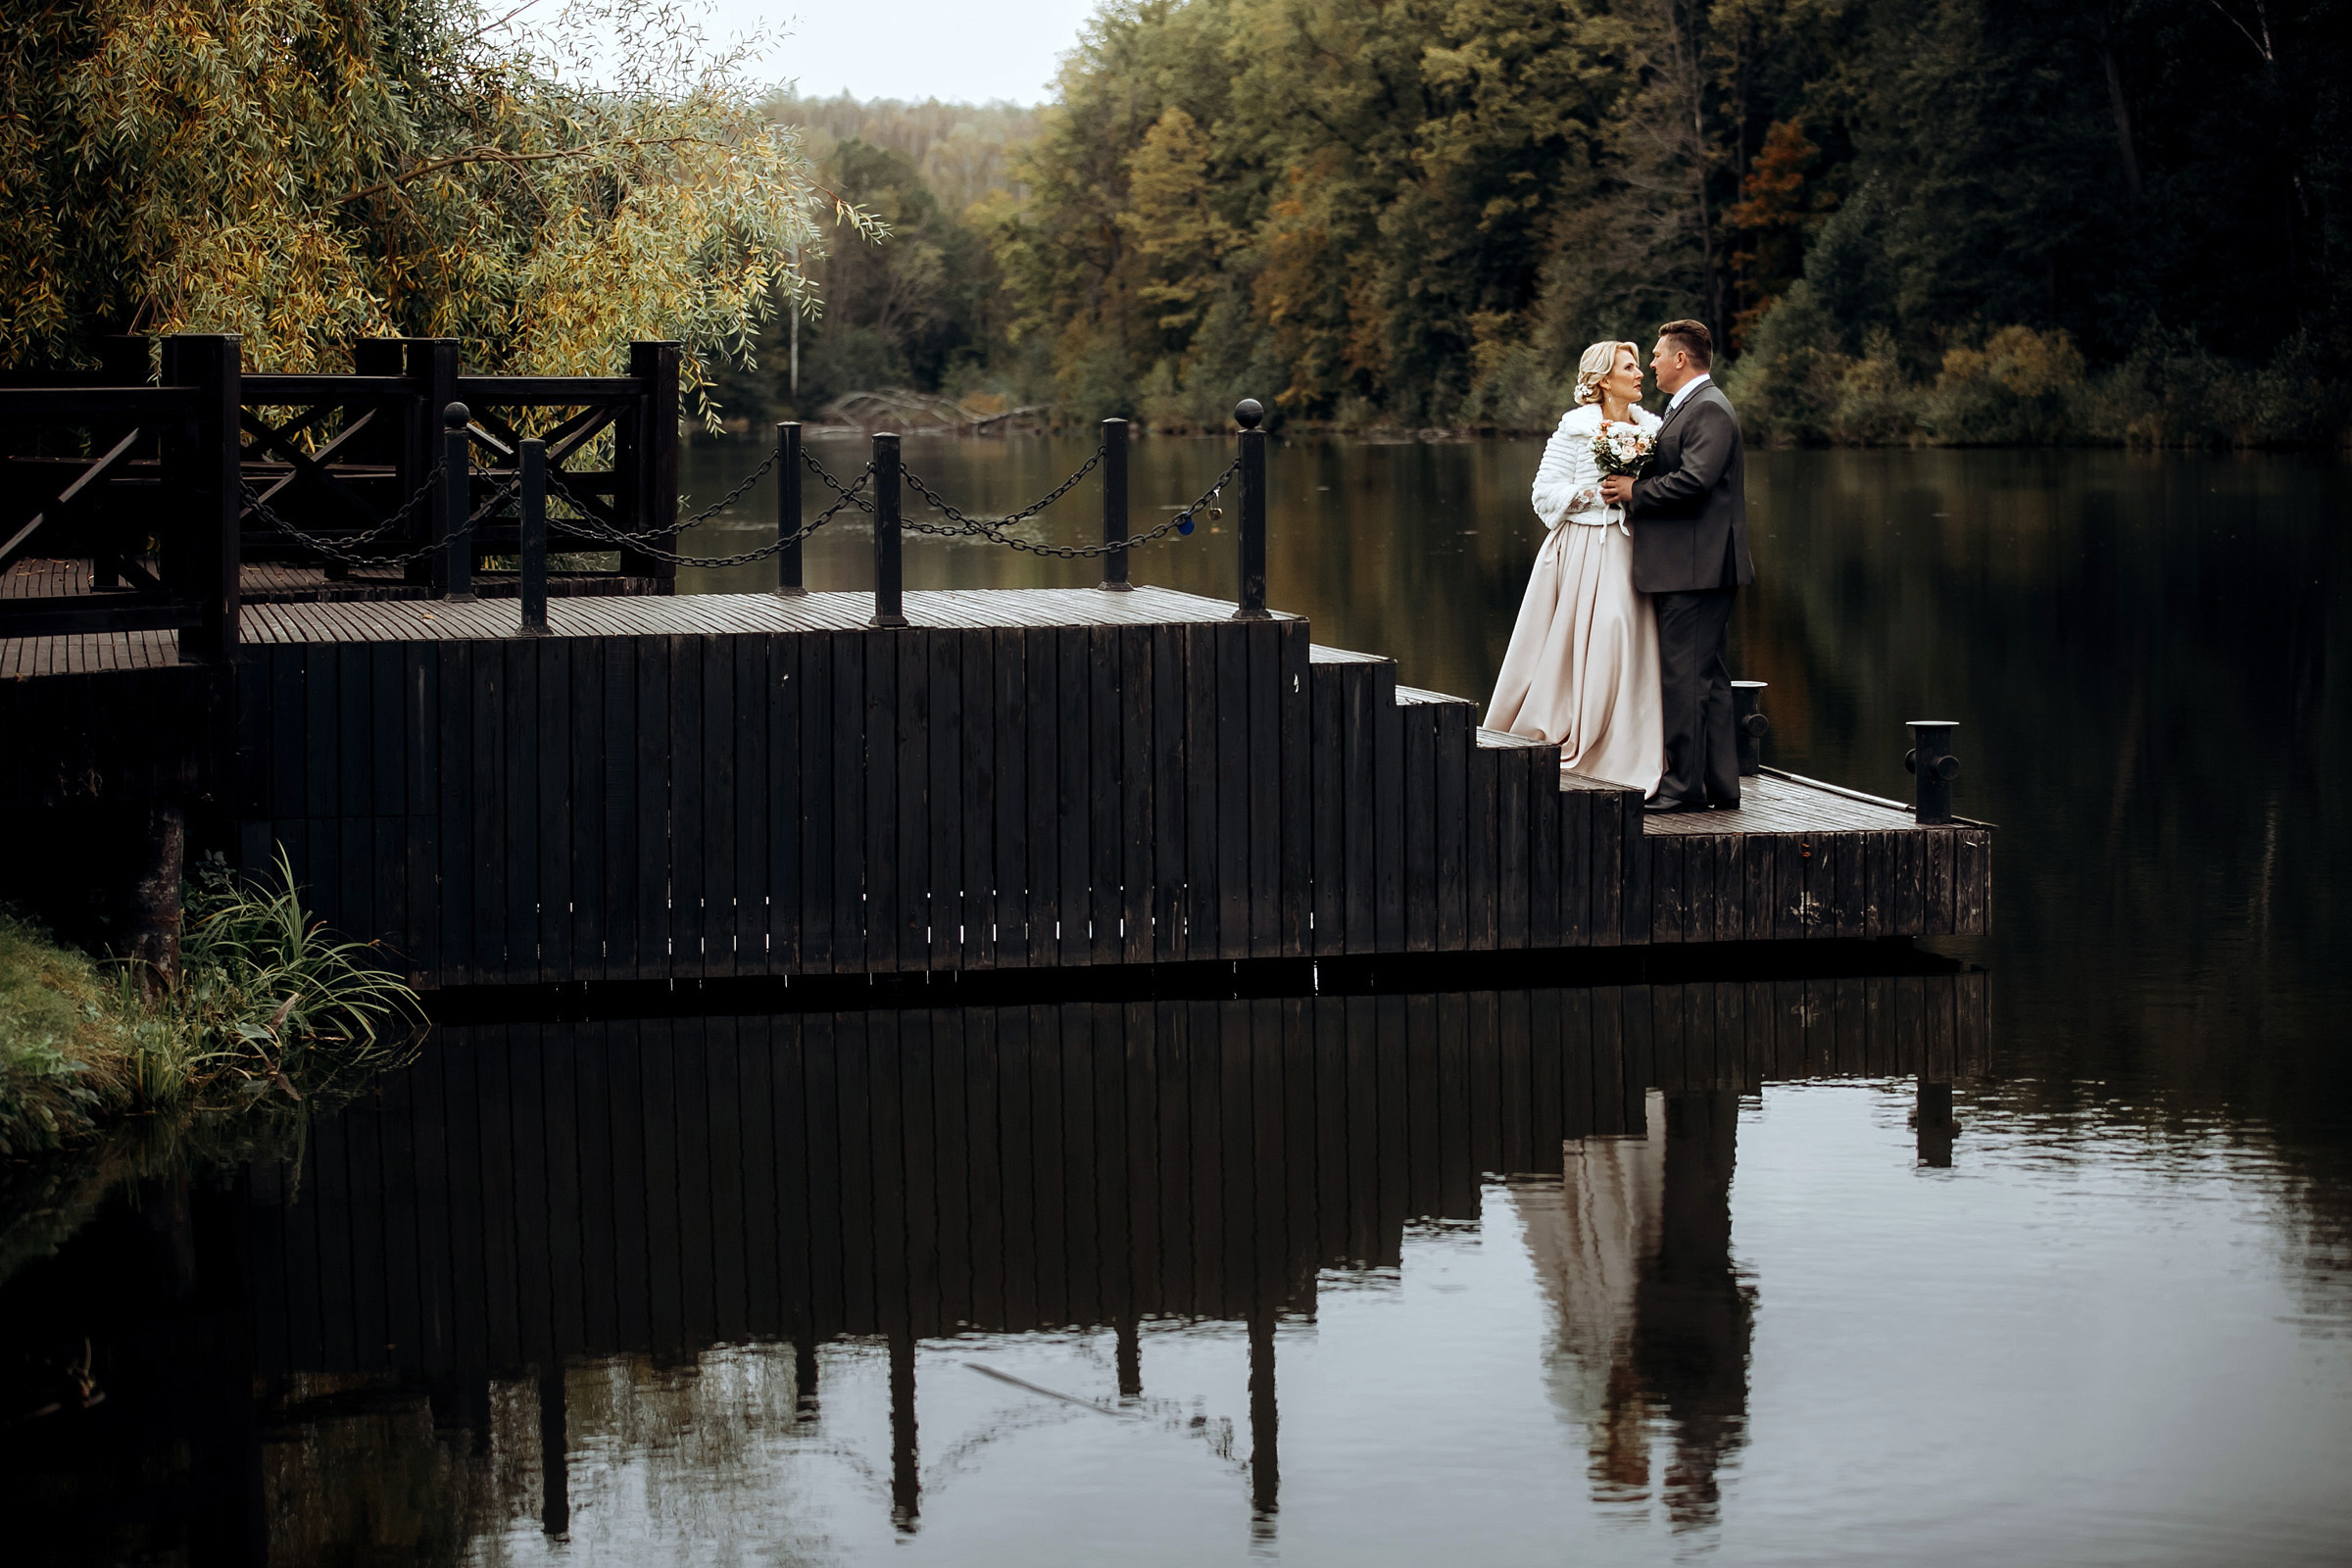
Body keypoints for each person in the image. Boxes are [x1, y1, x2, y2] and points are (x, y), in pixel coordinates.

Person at [1485, 341, 1664, 796]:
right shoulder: (1576, 429)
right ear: (1604, 380)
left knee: (1623, 637)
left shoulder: (1654, 430)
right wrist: (1595, 495)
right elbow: (1543, 492)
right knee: (1576, 641)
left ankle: (1624, 743)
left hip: (1630, 550)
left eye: (1640, 366)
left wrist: (1634, 493)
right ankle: (1561, 730)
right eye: (1629, 367)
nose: (1640, 374)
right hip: (1581, 548)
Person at [1599, 320, 1754, 813]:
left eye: (1658, 355)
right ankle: (1718, 785)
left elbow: (1694, 482)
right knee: (1705, 677)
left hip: (1697, 568)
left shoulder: (1708, 409)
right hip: (1696, 565)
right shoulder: (1690, 407)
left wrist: (1634, 492)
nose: (1652, 364)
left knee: (1683, 677)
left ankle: (1683, 788)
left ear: (1681, 360)